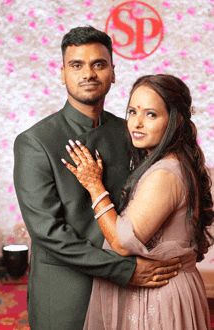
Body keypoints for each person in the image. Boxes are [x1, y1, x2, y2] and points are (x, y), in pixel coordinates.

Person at [13, 26, 181, 330]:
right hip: (66, 292)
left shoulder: (129, 131)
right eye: (76, 65)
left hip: (126, 292)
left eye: (98, 64)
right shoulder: (35, 142)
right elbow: (49, 233)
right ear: (63, 74)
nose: (88, 73)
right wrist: (126, 269)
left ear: (113, 72)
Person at [62, 74, 214, 329]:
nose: (137, 123)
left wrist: (94, 185)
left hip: (161, 297)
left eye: (151, 114)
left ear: (175, 121)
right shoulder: (166, 162)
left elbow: (121, 242)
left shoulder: (165, 173)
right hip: (162, 290)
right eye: (132, 111)